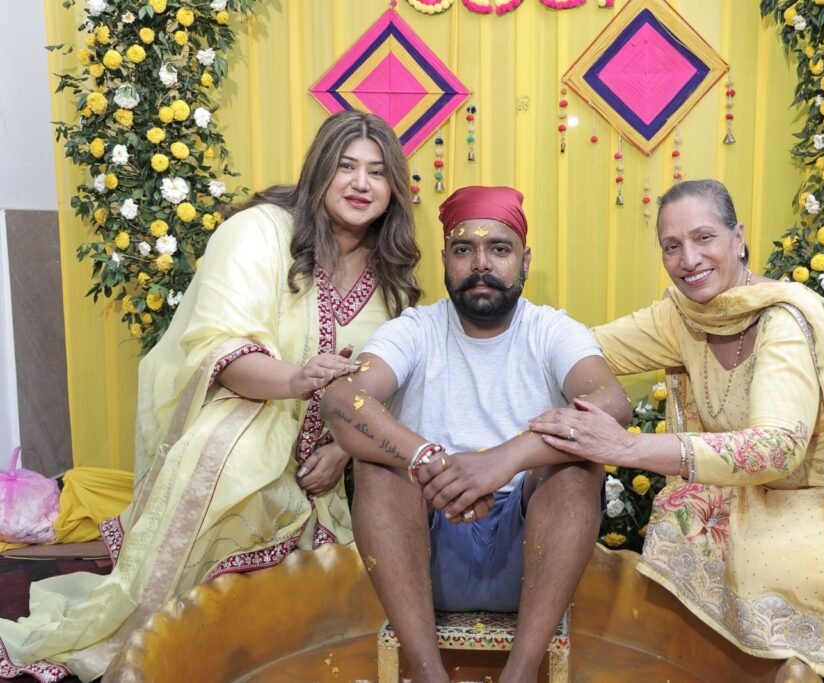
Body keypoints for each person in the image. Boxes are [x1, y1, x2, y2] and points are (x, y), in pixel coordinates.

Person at [0, 110, 421, 682]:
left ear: (394, 188)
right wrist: (297, 380)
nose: (361, 183)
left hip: (327, 458)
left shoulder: (391, 275)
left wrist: (342, 449)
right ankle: (174, 642)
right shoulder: (259, 232)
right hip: (241, 420)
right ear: (320, 170)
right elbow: (218, 348)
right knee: (238, 458)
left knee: (310, 620)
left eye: (377, 172)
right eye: (346, 166)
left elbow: (390, 385)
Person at [529, 179, 824, 682]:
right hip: (770, 495)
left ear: (738, 238)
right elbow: (580, 348)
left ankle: (799, 668)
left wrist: (628, 446)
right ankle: (732, 663)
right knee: (685, 512)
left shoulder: (785, 322)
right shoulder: (683, 316)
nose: (688, 259)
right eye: (672, 246)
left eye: (704, 237)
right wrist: (497, 328)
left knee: (771, 561)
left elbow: (778, 448)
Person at [320, 185, 632, 683]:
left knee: (577, 467)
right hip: (423, 554)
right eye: (464, 249)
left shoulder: (551, 330)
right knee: (378, 467)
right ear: (446, 259)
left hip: (533, 558)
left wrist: (504, 460)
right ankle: (428, 673)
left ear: (524, 260)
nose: (481, 264)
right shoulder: (414, 330)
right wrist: (427, 459)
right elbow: (341, 400)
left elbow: (611, 404)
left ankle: (521, 673)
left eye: (499, 249)